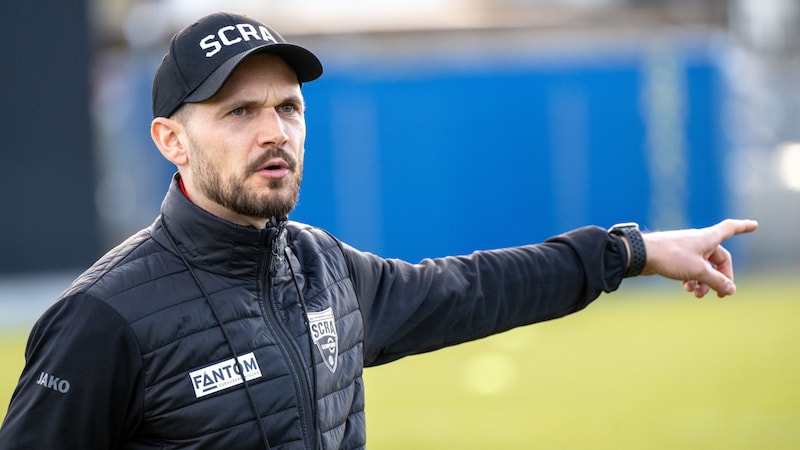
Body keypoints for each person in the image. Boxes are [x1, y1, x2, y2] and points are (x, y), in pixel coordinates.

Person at [0, 11, 758, 450]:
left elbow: (474, 289)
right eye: (238, 111)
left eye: (288, 108)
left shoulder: (323, 267)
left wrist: (632, 251)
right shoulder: (102, 318)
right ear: (171, 140)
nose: (275, 131)